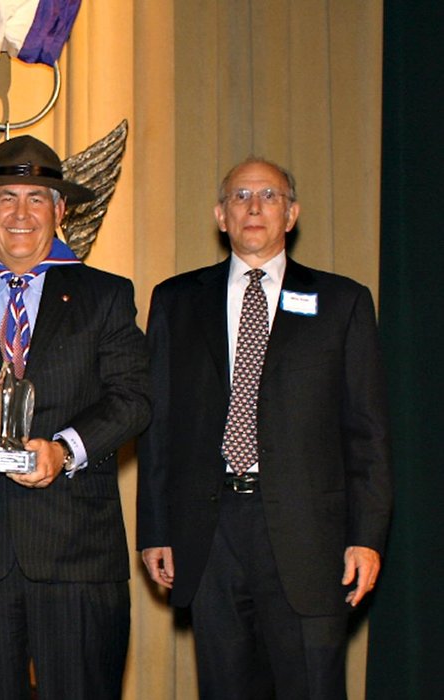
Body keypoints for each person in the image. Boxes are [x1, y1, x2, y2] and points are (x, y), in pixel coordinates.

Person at [0, 134, 151, 699]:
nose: (21, 213)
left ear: (60, 211)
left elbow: (133, 398)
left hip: (77, 553)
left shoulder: (106, 295)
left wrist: (63, 451)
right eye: (6, 198)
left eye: (37, 198)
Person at [137, 157, 393, 699]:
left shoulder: (342, 302)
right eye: (240, 196)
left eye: (270, 196)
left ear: (291, 214)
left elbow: (367, 433)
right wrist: (155, 529)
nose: (254, 207)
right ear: (221, 216)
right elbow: (159, 426)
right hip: (209, 533)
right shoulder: (176, 301)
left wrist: (366, 538)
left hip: (311, 536)